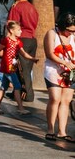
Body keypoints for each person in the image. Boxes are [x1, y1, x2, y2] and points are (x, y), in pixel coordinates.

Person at [0, 20, 37, 116]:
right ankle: (20, 107)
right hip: (8, 66)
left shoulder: (18, 42)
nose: (20, 32)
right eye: (19, 30)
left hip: (12, 66)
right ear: (12, 31)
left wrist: (32, 58)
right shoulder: (6, 40)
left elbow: (23, 53)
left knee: (3, 86)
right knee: (17, 86)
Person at [44, 12, 75, 141]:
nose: (71, 33)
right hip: (54, 70)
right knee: (55, 98)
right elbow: (49, 53)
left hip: (71, 71)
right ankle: (50, 129)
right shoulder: (52, 34)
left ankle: (62, 131)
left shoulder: (73, 36)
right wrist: (64, 63)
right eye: (69, 30)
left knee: (66, 101)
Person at [7, 0, 39, 102]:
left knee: (20, 69)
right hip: (32, 40)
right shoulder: (31, 7)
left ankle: (27, 95)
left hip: (21, 41)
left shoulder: (16, 7)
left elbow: (11, 25)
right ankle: (18, 92)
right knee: (27, 68)